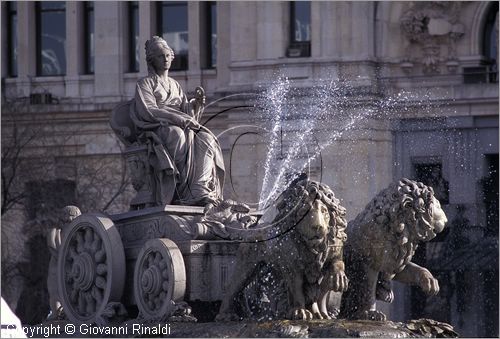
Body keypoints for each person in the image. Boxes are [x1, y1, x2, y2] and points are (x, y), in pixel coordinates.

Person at [130, 36, 225, 207]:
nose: (165, 59)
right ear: (152, 60)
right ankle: (180, 192)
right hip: (158, 127)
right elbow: (149, 110)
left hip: (181, 124)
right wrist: (177, 118)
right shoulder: (144, 83)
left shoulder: (175, 85)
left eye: (167, 55)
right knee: (177, 135)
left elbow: (186, 111)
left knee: (207, 139)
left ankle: (198, 188)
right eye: (160, 56)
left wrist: (196, 105)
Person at [46, 205, 81, 320]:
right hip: (59, 267)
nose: (69, 223)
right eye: (66, 221)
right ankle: (57, 314)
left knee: (68, 291)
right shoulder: (56, 233)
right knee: (55, 292)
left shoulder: (78, 234)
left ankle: (65, 312)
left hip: (74, 268)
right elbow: (53, 246)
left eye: (72, 220)